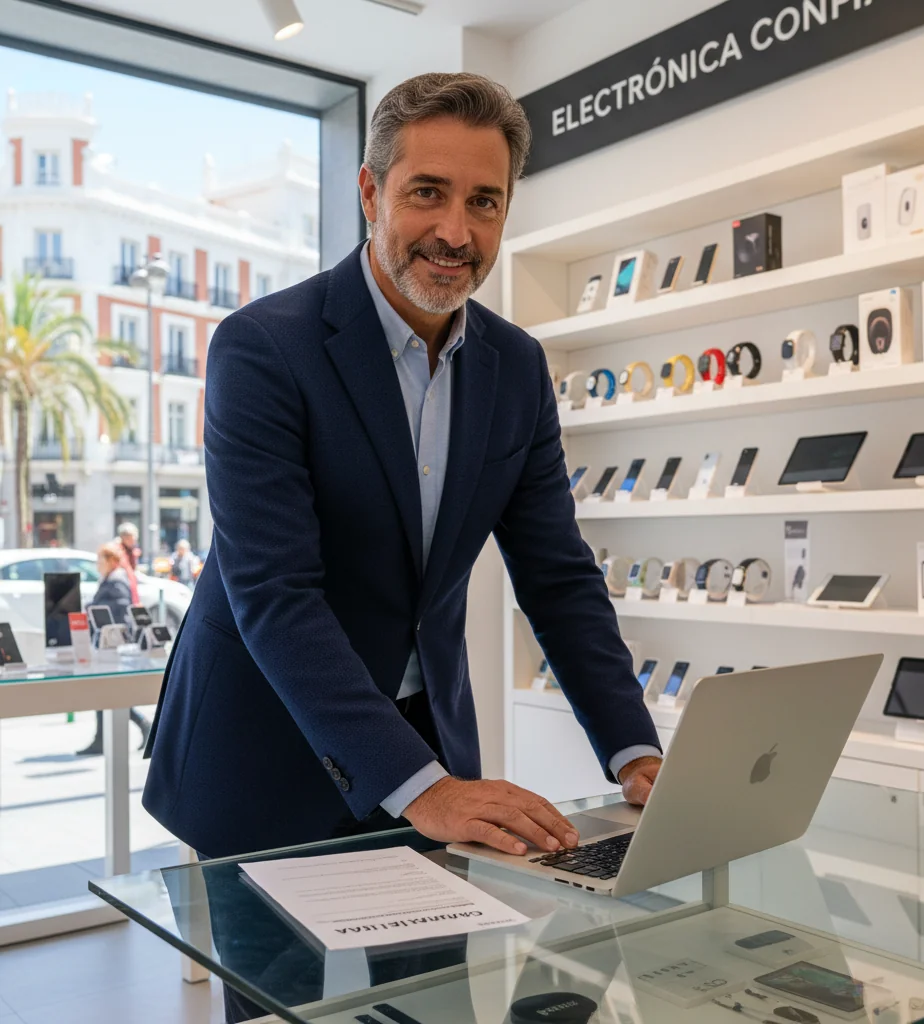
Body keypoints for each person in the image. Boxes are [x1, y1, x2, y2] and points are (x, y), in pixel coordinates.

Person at [143, 73, 664, 1019]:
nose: (455, 233)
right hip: (266, 748)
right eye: (427, 192)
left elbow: (556, 571)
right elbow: (275, 593)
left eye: (484, 201)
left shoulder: (515, 366)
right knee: (283, 1007)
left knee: (435, 1003)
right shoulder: (263, 347)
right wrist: (423, 789)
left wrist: (633, 749)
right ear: (371, 191)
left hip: (427, 743)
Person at [75, 542, 152, 756]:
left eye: (100, 561)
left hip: (112, 644)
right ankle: (104, 736)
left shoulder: (116, 581)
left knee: (108, 691)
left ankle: (143, 725)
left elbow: (119, 609)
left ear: (110, 561)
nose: (98, 565)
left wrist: (91, 608)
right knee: (105, 690)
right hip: (107, 643)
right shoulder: (111, 580)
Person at [116, 521, 141, 605]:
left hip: (129, 591)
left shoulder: (131, 551)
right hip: (121, 592)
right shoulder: (118, 551)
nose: (133, 541)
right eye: (131, 538)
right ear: (123, 537)